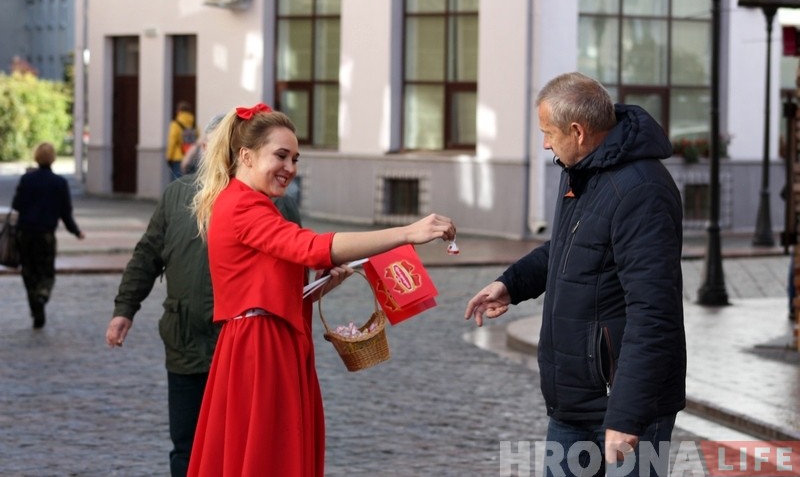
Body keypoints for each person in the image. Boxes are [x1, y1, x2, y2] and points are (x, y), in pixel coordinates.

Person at [186, 103, 456, 477]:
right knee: (269, 457)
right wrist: (407, 233)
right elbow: (311, 247)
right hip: (260, 347)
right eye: (281, 155)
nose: (290, 167)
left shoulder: (247, 202)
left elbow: (263, 291)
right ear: (246, 156)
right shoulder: (243, 205)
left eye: (295, 159)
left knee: (269, 453)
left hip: (267, 340)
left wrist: (320, 285)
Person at [465, 72, 686, 477]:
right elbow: (569, 248)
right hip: (574, 403)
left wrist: (627, 415)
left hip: (622, 407)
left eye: (548, 133)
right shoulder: (585, 171)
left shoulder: (642, 191)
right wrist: (511, 284)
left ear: (578, 131)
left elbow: (654, 312)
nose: (545, 144)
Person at [105, 113, 305, 476]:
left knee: (242, 446)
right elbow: (148, 254)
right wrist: (125, 308)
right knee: (187, 444)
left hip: (246, 345)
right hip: (186, 339)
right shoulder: (178, 195)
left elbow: (297, 268)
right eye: (213, 148)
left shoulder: (277, 202)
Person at [12, 142, 85, 328]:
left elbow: (16, 205)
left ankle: (36, 309)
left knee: (28, 271)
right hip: (45, 234)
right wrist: (76, 231)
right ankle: (43, 294)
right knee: (46, 271)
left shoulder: (26, 179)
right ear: (53, 158)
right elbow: (65, 213)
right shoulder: (59, 183)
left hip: (24, 233)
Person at [166, 101, 196, 179]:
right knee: (190, 182)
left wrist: (169, 157)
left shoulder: (175, 124)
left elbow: (172, 142)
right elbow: (197, 142)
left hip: (178, 158)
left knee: (177, 183)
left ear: (179, 111)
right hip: (191, 158)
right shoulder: (194, 125)